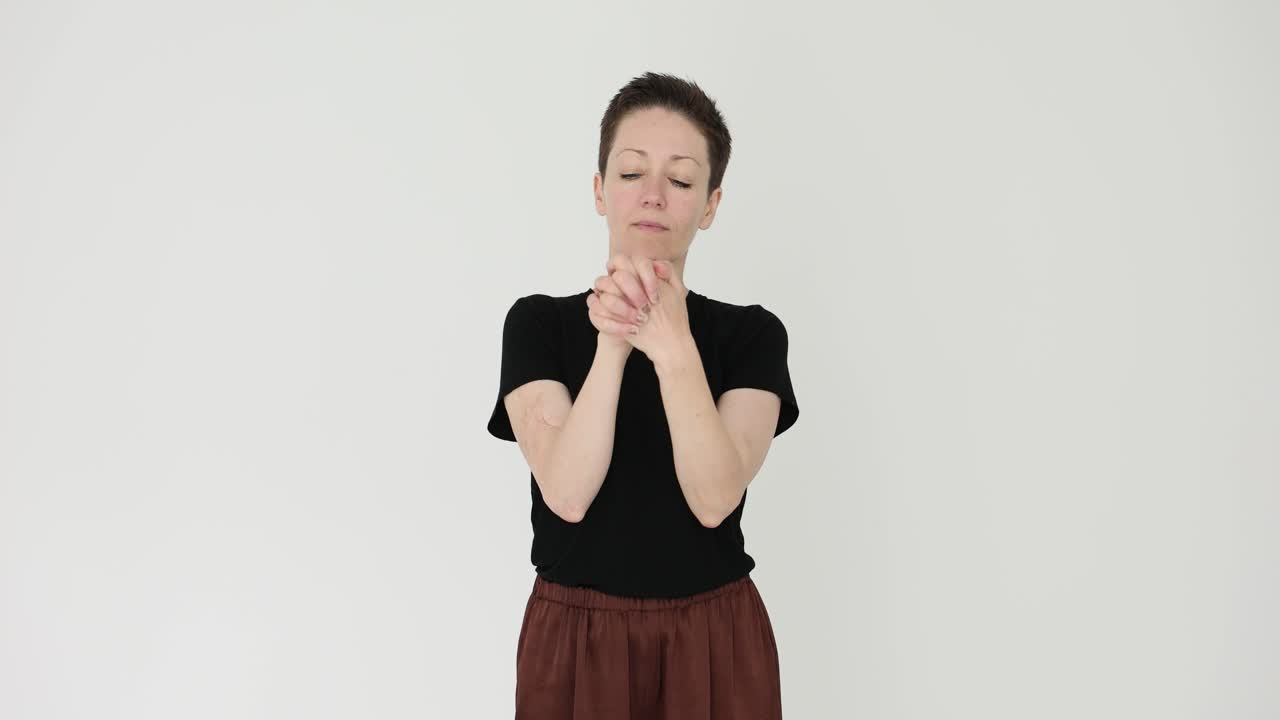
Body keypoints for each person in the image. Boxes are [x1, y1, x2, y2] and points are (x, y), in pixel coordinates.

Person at [487, 71, 800, 719]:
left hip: (713, 638)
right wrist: (614, 340)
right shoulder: (538, 325)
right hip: (577, 638)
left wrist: (673, 344)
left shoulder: (752, 335)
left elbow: (714, 500)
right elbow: (567, 494)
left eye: (680, 180)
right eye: (632, 173)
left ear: (710, 205)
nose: (654, 195)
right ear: (600, 191)